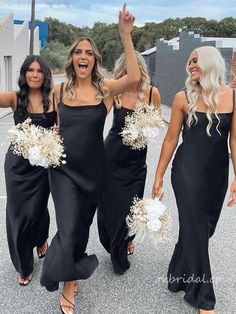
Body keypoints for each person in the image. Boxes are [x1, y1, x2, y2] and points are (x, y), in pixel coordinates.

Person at [40, 4, 140, 314]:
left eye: (89, 52)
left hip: (94, 172)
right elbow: (54, 124)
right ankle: (68, 282)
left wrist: (125, 35)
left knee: (80, 227)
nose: (83, 56)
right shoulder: (60, 90)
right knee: (69, 226)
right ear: (71, 58)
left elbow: (134, 76)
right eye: (78, 52)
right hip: (63, 171)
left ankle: (72, 275)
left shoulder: (105, 91)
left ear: (95, 60)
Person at [152, 46, 236, 314]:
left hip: (217, 175)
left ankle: (178, 274)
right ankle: (203, 298)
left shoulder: (232, 97)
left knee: (202, 230)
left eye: (196, 60)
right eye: (189, 61)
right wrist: (159, 176)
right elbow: (170, 139)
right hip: (186, 173)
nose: (190, 65)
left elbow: (235, 141)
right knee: (197, 229)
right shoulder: (182, 98)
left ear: (211, 63)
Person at [97, 51, 161, 275]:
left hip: (135, 164)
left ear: (141, 70)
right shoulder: (115, 91)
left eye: (132, 70)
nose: (128, 75)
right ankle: (115, 242)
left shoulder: (152, 93)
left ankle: (125, 241)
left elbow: (156, 128)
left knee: (131, 208)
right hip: (111, 158)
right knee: (108, 206)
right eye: (125, 71)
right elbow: (95, 119)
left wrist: (143, 130)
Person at [0, 55, 56, 286]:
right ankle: (24, 265)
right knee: (18, 214)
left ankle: (41, 239)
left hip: (42, 167)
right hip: (17, 167)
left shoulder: (53, 99)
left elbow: (64, 124)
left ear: (45, 74)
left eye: (39, 70)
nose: (34, 74)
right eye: (29, 70)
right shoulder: (15, 98)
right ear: (23, 74)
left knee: (37, 209)